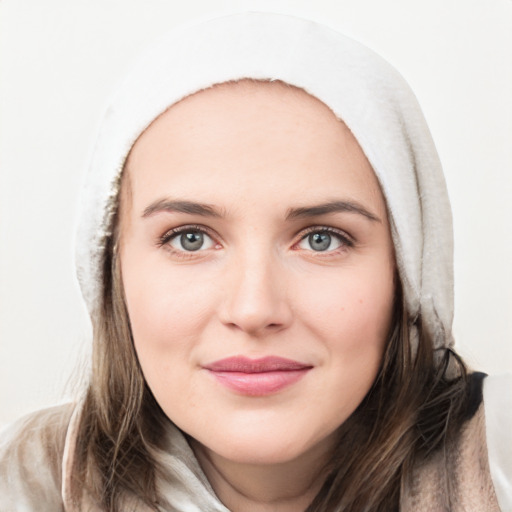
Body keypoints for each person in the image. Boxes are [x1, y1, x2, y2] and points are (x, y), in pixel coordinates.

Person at [0, 11, 510, 512]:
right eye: (191, 238)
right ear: (115, 274)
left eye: (321, 240)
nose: (253, 308)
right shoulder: (21, 482)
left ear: (408, 273)